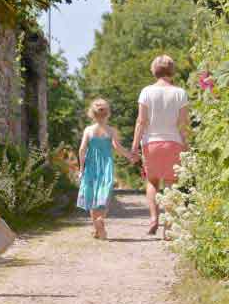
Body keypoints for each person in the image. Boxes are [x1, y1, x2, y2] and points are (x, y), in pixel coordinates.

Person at [131, 55, 190, 237]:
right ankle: (169, 227)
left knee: (152, 181)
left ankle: (153, 218)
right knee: (172, 184)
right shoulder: (180, 93)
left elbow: (141, 121)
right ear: (172, 71)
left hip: (151, 143)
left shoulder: (146, 92)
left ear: (154, 70)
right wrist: (187, 146)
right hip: (174, 142)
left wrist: (134, 147)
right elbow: (183, 123)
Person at [77, 99, 137, 240]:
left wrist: (81, 169)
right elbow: (118, 148)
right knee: (104, 194)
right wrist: (130, 156)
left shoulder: (88, 130)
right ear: (108, 113)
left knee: (92, 196)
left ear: (92, 114)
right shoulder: (111, 131)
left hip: (91, 165)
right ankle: (101, 219)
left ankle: (97, 228)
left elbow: (81, 150)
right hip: (106, 166)